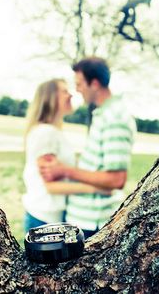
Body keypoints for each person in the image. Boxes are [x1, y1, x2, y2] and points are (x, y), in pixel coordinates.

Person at [39, 57, 136, 239]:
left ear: (95, 84)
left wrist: (65, 170)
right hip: (82, 220)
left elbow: (116, 179)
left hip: (92, 225)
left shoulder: (114, 118)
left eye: (80, 83)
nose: (77, 89)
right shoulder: (104, 114)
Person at [22, 78, 106, 232]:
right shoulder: (44, 133)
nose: (71, 95)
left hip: (52, 217)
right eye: (64, 92)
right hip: (42, 218)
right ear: (50, 98)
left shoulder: (54, 132)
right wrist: (95, 188)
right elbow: (51, 186)